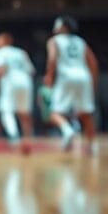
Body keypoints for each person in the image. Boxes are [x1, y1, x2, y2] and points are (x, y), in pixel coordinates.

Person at [45, 16, 99, 153]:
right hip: (84, 76)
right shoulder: (81, 41)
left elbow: (52, 59)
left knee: (54, 113)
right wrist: (93, 81)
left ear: (64, 27)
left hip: (66, 76)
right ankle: (92, 145)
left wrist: (49, 76)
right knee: (86, 114)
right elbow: (93, 63)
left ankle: (67, 130)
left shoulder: (54, 41)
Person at [0, 32, 35, 152]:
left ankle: (14, 136)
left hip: (11, 82)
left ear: (5, 41)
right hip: (26, 82)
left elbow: (1, 69)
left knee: (6, 110)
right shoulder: (21, 52)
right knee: (24, 113)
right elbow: (31, 71)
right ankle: (27, 139)